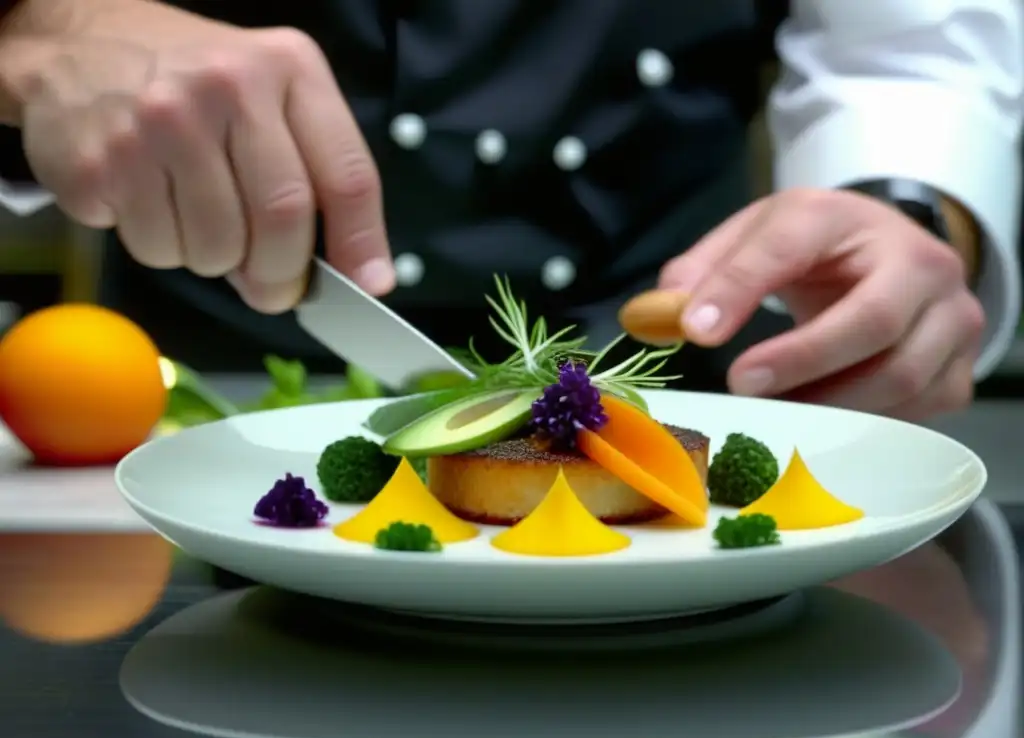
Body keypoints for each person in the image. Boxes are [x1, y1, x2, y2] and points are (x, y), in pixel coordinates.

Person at [0, 0, 1020, 421]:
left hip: (688, 389)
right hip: (192, 397)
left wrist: (906, 209)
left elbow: (908, 48)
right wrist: (32, 34)